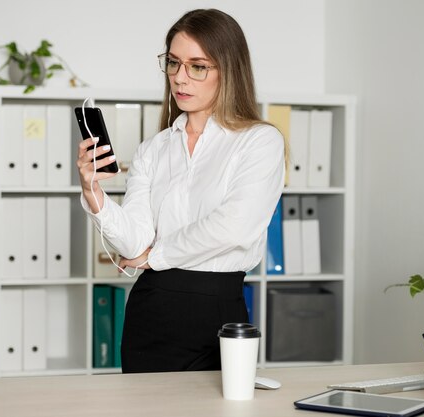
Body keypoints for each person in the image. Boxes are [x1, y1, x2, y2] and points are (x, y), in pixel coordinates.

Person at [76, 8, 285, 373]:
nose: (180, 78)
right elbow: (133, 242)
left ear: (229, 70)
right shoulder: (153, 149)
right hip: (150, 312)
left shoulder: (259, 141)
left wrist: (155, 256)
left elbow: (235, 226)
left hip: (216, 312)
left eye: (197, 66)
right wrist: (93, 192)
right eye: (173, 63)